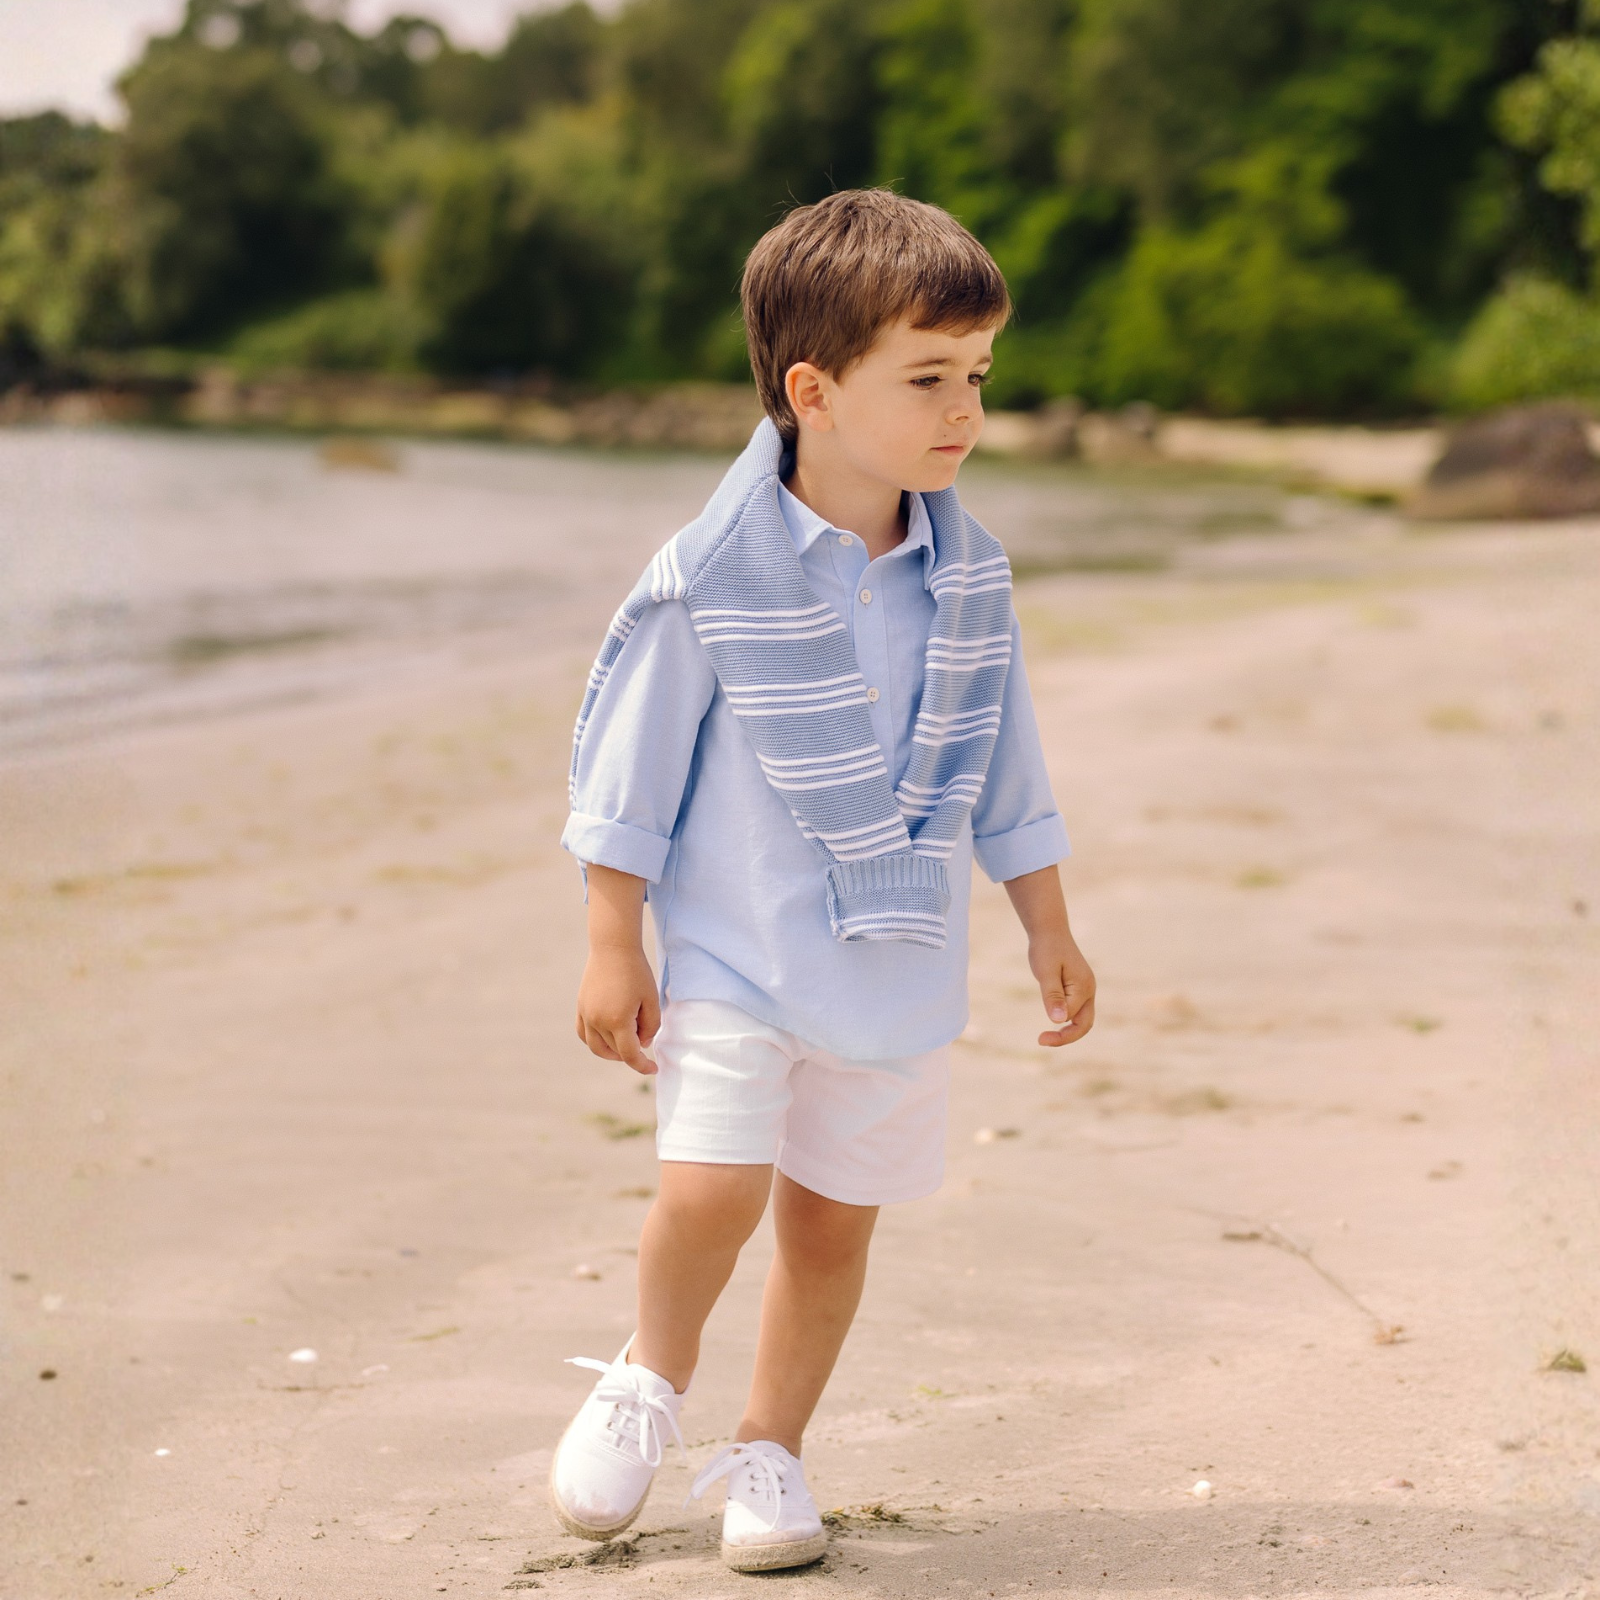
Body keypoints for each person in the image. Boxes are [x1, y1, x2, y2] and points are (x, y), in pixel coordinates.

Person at [550, 188, 1096, 1573]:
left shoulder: (967, 585)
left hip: (895, 958)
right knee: (711, 1191)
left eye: (977, 376)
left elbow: (1006, 768)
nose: (965, 408)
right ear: (816, 391)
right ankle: (647, 1380)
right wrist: (614, 941)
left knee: (831, 1225)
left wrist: (1048, 925)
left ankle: (770, 1447)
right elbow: (634, 767)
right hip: (737, 953)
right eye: (928, 379)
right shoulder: (709, 582)